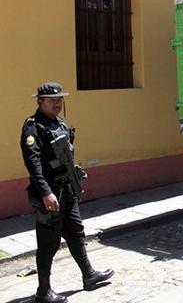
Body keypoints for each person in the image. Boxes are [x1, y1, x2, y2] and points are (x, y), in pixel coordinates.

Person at [20, 82, 114, 303]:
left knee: (76, 233)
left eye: (60, 99)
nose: (57, 103)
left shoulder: (59, 123)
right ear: (40, 102)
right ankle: (43, 292)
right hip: (50, 195)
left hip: (67, 191)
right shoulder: (33, 128)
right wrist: (46, 192)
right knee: (48, 243)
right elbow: (33, 164)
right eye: (52, 100)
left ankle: (89, 275)